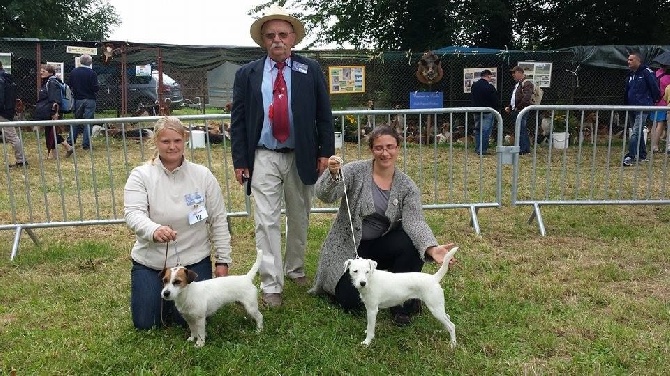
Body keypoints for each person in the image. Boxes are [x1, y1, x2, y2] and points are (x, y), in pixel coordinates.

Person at [230, 5, 334, 308]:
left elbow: (323, 114)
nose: (277, 40)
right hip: (262, 155)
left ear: (293, 39)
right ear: (263, 40)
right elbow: (238, 120)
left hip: (301, 154)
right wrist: (240, 160)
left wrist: (325, 152)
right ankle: (271, 283)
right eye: (271, 35)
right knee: (265, 220)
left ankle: (295, 268)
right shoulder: (246, 74)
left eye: (283, 35)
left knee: (300, 215)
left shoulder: (310, 69)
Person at [308, 125, 457, 326]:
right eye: (379, 148)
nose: (385, 153)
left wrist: (431, 248)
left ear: (398, 148)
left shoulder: (407, 186)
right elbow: (325, 196)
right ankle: (361, 287)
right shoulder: (354, 171)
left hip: (382, 245)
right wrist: (332, 174)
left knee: (410, 243)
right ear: (372, 149)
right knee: (351, 302)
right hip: (349, 249)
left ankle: (402, 303)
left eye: (390, 147)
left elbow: (415, 221)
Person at [124, 116, 232, 330]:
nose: (172, 147)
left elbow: (219, 219)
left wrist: (222, 261)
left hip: (193, 261)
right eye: (165, 141)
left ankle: (172, 305)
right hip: (152, 262)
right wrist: (153, 230)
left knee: (191, 319)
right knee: (146, 324)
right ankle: (159, 298)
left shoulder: (203, 176)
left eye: (177, 141)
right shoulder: (140, 175)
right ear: (156, 142)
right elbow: (133, 214)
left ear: (185, 140)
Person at [623, 52, 661, 166]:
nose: (628, 62)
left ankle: (631, 156)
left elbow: (654, 87)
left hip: (642, 107)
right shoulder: (630, 75)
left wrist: (653, 101)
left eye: (631, 60)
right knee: (637, 132)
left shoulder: (646, 73)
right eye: (628, 60)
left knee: (635, 132)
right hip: (631, 107)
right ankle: (642, 155)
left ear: (639, 61)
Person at [35, 64, 72, 159]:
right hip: (48, 110)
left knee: (51, 132)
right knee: (51, 132)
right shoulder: (48, 81)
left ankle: (65, 148)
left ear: (50, 72)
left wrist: (55, 113)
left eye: (43, 71)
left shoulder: (52, 82)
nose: (41, 73)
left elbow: (55, 100)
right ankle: (58, 152)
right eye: (41, 71)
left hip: (51, 111)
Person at [66, 54, 99, 155]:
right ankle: (86, 144)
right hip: (90, 99)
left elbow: (69, 85)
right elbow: (95, 88)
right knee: (88, 122)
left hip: (78, 99)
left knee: (77, 120)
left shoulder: (74, 72)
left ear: (80, 61)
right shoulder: (92, 73)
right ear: (90, 62)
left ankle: (70, 141)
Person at [0, 61, 27, 167]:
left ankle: (21, 160)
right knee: (12, 136)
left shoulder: (1, 80)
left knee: (12, 136)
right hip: (8, 110)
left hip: (2, 112)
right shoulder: (7, 78)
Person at [504, 66, 533, 155]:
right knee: (520, 129)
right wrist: (510, 106)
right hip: (516, 109)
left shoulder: (526, 83)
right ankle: (524, 147)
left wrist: (518, 107)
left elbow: (526, 98)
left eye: (514, 72)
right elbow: (515, 98)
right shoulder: (518, 84)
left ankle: (523, 148)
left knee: (521, 129)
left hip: (521, 110)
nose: (513, 75)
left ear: (520, 73)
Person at [470, 69, 498, 155]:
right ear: (488, 76)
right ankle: (483, 150)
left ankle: (477, 148)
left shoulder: (474, 86)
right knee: (485, 131)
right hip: (487, 111)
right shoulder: (490, 87)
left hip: (476, 111)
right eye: (490, 77)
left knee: (478, 130)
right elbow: (494, 100)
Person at [650, 64, 670, 153]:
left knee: (654, 124)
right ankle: (655, 146)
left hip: (654, 102)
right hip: (662, 103)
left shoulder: (655, 74)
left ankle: (652, 144)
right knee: (660, 125)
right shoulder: (667, 77)